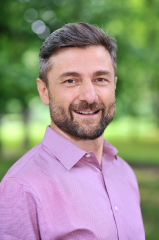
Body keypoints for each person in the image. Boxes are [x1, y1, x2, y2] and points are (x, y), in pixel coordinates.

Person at [0, 22, 145, 240]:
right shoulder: (21, 188)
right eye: (71, 80)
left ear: (114, 86)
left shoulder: (124, 172)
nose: (89, 96)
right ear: (44, 91)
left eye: (100, 79)